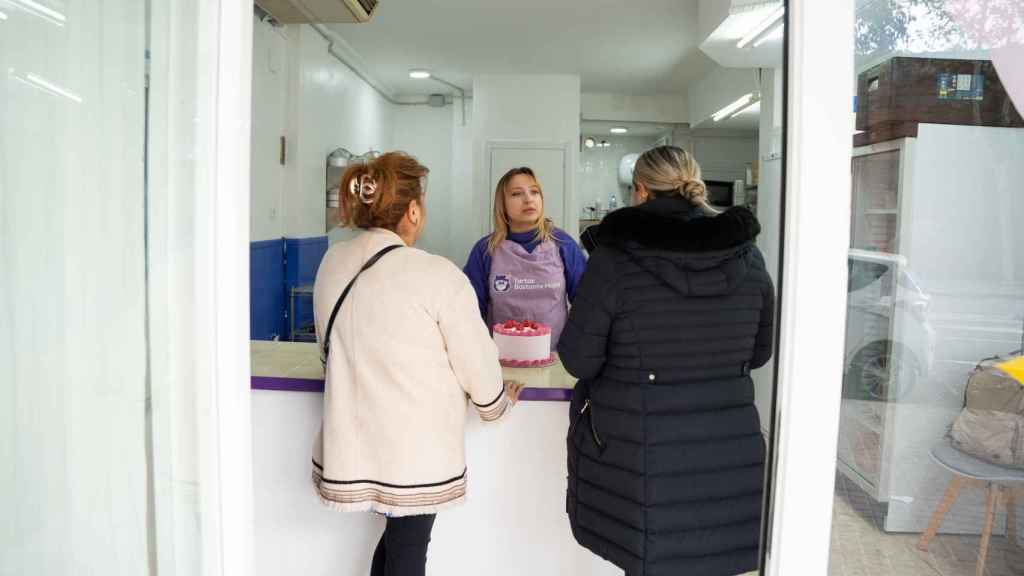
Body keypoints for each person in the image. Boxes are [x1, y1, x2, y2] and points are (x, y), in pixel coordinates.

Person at [558, 145, 775, 576]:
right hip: (726, 452)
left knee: (650, 557)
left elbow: (579, 360)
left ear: (640, 191)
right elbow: (760, 352)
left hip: (641, 455)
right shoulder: (748, 257)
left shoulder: (614, 260)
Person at [312, 151, 523, 576]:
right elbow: (477, 364)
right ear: (412, 211)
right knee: (409, 554)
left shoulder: (332, 262)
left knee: (398, 545)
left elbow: (327, 348)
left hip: (354, 440)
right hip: (415, 451)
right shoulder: (436, 275)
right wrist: (496, 402)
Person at [463, 167, 587, 349]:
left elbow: (587, 304)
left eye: (534, 192)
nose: (529, 199)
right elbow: (469, 313)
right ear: (502, 204)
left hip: (555, 357)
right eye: (516, 194)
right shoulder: (485, 250)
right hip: (499, 360)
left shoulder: (564, 245)